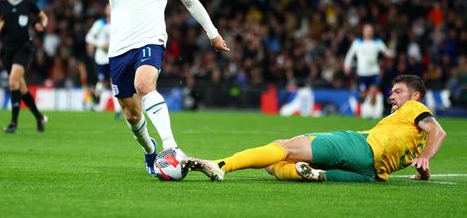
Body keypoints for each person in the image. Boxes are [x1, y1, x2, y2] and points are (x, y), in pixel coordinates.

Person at [78, 0, 230, 175]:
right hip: (118, 50)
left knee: (145, 85)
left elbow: (192, 3)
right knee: (131, 114)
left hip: (151, 41)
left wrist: (212, 33)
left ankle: (171, 147)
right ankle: (150, 150)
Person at [186, 74, 447, 182]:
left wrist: (425, 158)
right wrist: (422, 171)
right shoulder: (418, 136)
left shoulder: (413, 108)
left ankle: (219, 165)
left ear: (415, 97)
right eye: (392, 91)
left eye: (399, 92)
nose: (392, 96)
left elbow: (439, 131)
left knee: (283, 146)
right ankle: (306, 173)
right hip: (370, 175)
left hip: (360, 147)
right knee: (276, 165)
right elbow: (423, 157)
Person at [0, 0, 48, 133]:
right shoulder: (1, 5)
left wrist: (42, 25)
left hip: (23, 48)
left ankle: (13, 123)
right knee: (22, 88)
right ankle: (39, 117)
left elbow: (43, 17)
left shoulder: (27, 4)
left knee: (13, 81)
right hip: (6, 50)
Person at [344, 23, 393, 118]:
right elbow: (350, 54)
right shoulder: (357, 42)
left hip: (374, 72)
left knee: (373, 92)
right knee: (363, 94)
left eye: (370, 30)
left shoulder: (377, 42)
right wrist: (347, 65)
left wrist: (390, 53)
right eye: (367, 30)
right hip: (362, 73)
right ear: (363, 31)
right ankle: (362, 102)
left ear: (372, 31)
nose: (368, 32)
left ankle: (371, 113)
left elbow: (386, 51)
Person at [85, 4, 122, 119]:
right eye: (108, 7)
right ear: (105, 10)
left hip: (114, 56)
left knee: (114, 82)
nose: (110, 9)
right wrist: (100, 45)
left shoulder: (119, 23)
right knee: (101, 83)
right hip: (101, 58)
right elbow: (89, 37)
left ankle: (118, 111)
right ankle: (95, 100)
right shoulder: (99, 24)